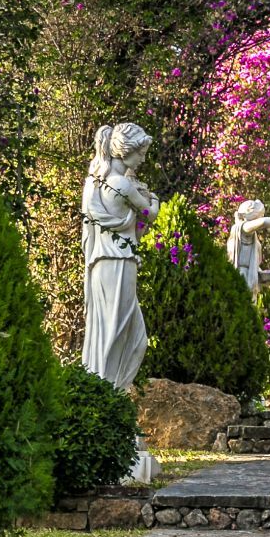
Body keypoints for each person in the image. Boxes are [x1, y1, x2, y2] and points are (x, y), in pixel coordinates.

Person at [81, 123, 158, 391]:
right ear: (126, 150)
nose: (143, 159)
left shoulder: (97, 181)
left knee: (124, 334)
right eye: (141, 153)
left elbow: (136, 227)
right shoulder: (121, 183)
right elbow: (148, 214)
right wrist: (154, 200)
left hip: (106, 262)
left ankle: (110, 396)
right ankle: (107, 396)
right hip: (119, 261)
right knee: (118, 332)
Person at [226, 198, 270, 294]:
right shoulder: (242, 228)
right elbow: (264, 222)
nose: (261, 218)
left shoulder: (254, 239)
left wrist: (263, 277)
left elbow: (253, 262)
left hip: (249, 276)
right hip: (240, 275)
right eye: (260, 216)